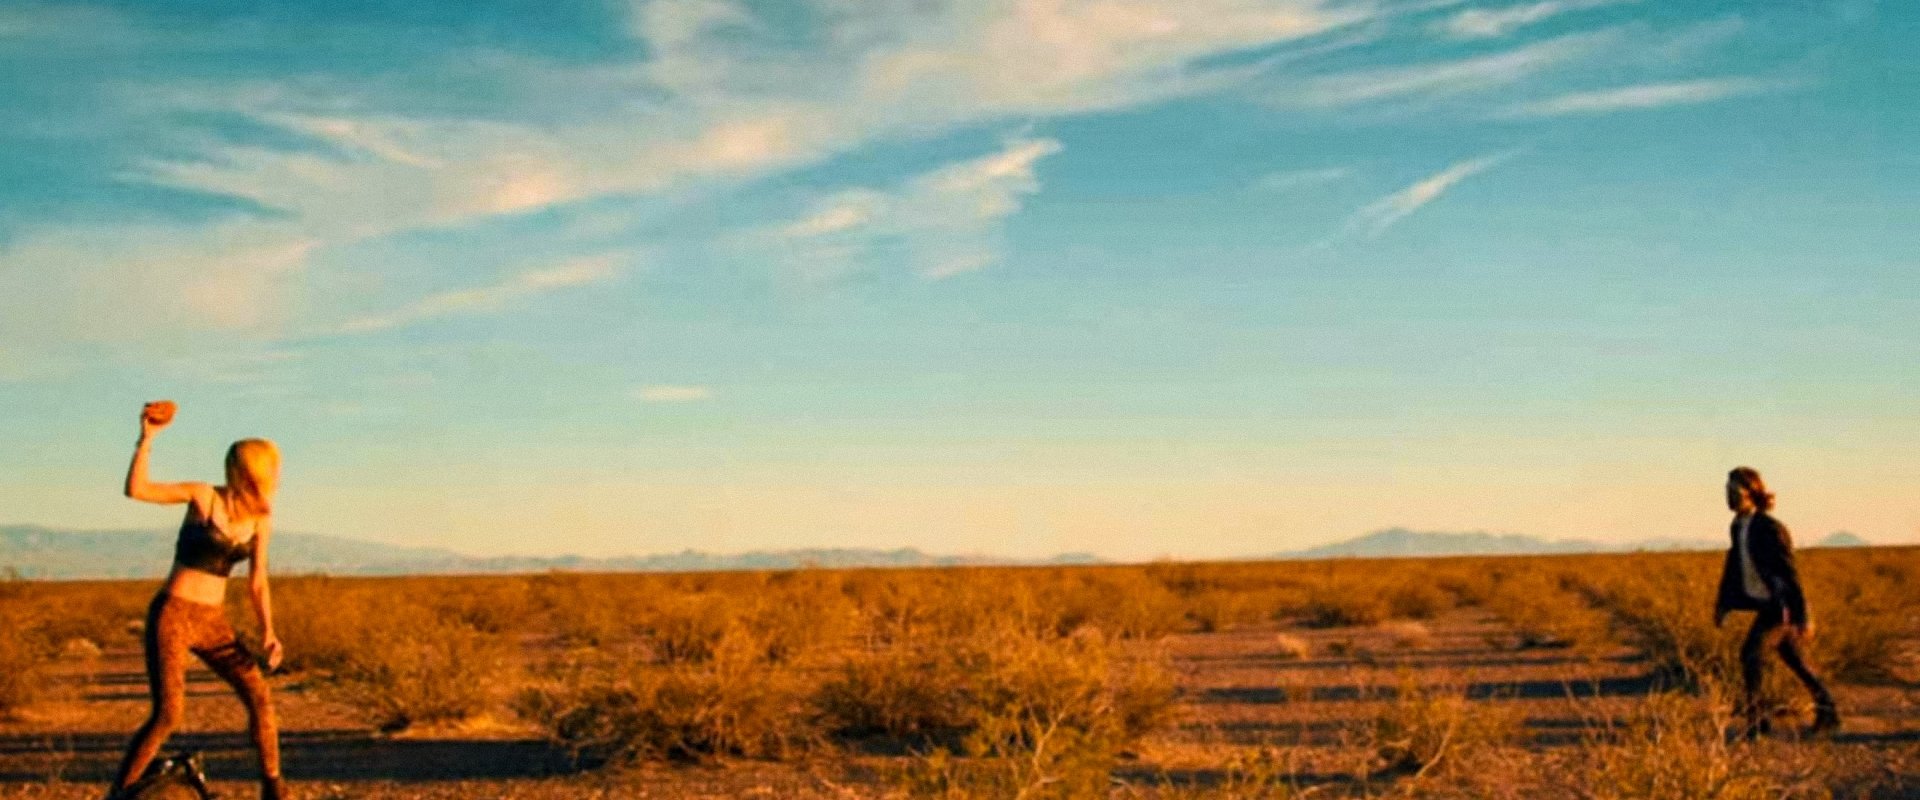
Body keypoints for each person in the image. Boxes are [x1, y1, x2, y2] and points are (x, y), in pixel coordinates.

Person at [110, 402, 288, 800]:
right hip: (173, 614)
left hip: (214, 622)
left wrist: (269, 633)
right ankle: (119, 794)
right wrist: (147, 439)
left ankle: (275, 790)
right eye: (272, 468)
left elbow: (258, 581)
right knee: (169, 714)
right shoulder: (203, 496)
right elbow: (137, 490)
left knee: (259, 695)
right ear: (253, 471)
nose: (278, 476)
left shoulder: (261, 519)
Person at [1713, 466, 1839, 739]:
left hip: (1780, 608)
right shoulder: (1737, 526)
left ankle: (1757, 722)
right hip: (1765, 605)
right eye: (1727, 491)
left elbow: (1789, 572)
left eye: (1734, 490)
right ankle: (1828, 711)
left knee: (1750, 654)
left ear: (1751, 492)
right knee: (1795, 660)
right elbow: (1733, 565)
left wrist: (1804, 616)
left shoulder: (1770, 528)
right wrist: (1723, 604)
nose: (1729, 496)